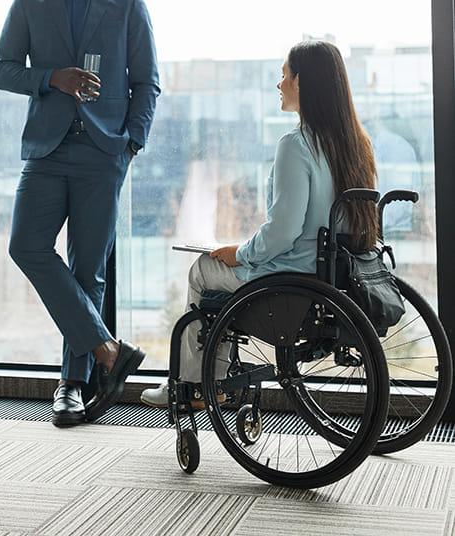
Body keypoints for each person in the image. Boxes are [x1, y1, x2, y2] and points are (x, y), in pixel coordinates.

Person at [0, 0, 160, 427]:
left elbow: (146, 81)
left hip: (103, 155)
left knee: (88, 270)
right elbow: (1, 70)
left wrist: (130, 144)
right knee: (27, 246)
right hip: (46, 151)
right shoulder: (29, 0)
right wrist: (51, 79)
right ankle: (109, 352)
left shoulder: (128, 2)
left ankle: (73, 385)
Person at [141, 39, 378, 406]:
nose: (279, 84)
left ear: (302, 83)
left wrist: (242, 253)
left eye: (284, 76)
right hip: (336, 274)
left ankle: (199, 386)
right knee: (224, 260)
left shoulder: (297, 145)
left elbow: (283, 231)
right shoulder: (356, 144)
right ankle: (208, 380)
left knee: (202, 270)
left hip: (293, 277)